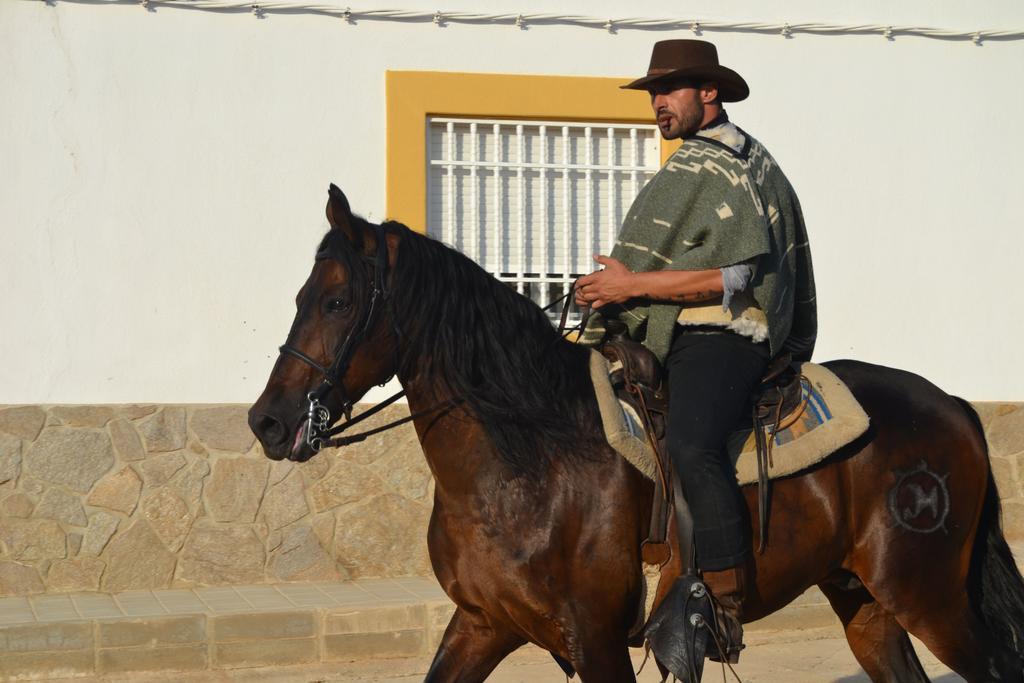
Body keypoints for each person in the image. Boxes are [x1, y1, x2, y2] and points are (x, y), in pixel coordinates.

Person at [576, 39, 817, 663]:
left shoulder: (728, 163)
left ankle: (723, 594)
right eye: (654, 93)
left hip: (724, 332)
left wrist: (631, 286)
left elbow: (731, 278)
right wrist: (607, 295)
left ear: (708, 92)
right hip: (678, 330)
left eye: (670, 91)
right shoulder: (693, 165)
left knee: (690, 442)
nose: (658, 103)